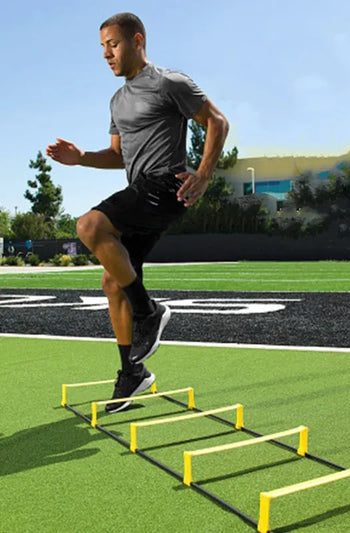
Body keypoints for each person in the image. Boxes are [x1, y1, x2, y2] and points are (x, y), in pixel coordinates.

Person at [46, 12, 229, 413]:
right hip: (139, 191)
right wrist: (79, 159)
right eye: (102, 48)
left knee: (89, 225)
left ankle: (149, 312)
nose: (106, 54)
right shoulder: (117, 101)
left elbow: (216, 121)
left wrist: (203, 174)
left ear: (137, 41)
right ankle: (132, 372)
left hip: (166, 186)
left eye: (112, 44)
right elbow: (117, 155)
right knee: (112, 283)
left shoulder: (169, 83)